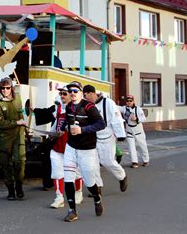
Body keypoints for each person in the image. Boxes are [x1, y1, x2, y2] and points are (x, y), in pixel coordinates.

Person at [61, 81, 106, 222]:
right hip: (71, 147)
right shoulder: (68, 106)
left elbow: (101, 124)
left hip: (87, 149)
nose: (72, 94)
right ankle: (72, 211)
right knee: (68, 178)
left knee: (89, 181)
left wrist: (82, 130)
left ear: (81, 92)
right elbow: (66, 123)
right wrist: (64, 128)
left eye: (75, 91)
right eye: (70, 91)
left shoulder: (89, 106)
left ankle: (97, 198)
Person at [33, 85, 84, 209]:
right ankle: (59, 197)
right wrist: (51, 133)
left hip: (72, 145)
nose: (62, 96)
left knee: (75, 172)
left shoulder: (77, 109)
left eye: (64, 94)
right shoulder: (58, 107)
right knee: (56, 172)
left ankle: (78, 192)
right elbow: (57, 123)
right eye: (61, 93)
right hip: (58, 145)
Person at [82, 85, 127, 195]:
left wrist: (120, 134)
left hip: (107, 136)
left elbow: (116, 119)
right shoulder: (86, 105)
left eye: (86, 95)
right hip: (93, 137)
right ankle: (97, 188)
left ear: (92, 93)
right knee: (93, 164)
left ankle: (122, 176)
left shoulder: (108, 103)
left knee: (108, 161)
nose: (85, 97)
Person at [0, 77, 27, 200]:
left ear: (11, 88)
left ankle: (19, 186)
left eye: (7, 88)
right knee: (6, 165)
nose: (5, 90)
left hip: (18, 136)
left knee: (20, 162)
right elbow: (0, 123)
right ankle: (10, 190)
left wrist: (22, 124)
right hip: (5, 138)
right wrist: (17, 122)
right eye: (3, 88)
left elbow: (21, 113)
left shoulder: (17, 98)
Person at [118, 95, 149, 168]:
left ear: (133, 101)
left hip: (139, 132)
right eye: (127, 101)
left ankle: (146, 160)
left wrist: (136, 119)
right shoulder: (124, 109)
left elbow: (144, 118)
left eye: (130, 101)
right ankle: (134, 162)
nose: (129, 102)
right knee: (131, 148)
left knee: (143, 146)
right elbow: (116, 107)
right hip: (129, 132)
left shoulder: (138, 109)